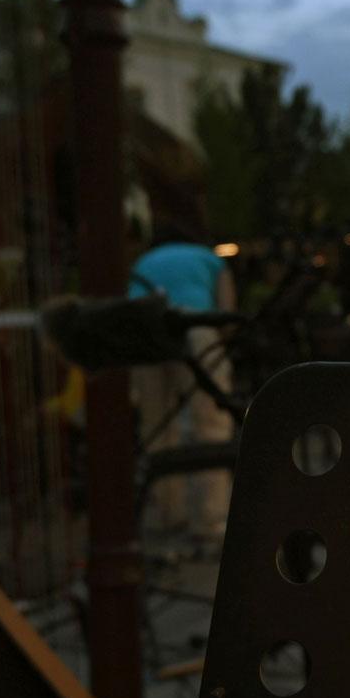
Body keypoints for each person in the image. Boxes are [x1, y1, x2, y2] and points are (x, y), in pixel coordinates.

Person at [126, 205, 234, 548]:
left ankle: (170, 515)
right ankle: (211, 521)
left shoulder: (143, 262)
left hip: (146, 332)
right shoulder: (208, 258)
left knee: (157, 425)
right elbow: (226, 311)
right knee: (210, 424)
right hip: (195, 325)